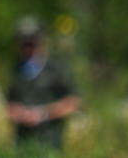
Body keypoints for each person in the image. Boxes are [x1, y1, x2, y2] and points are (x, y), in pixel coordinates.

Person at [6, 17, 81, 148]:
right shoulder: (15, 70)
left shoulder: (57, 68)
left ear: (41, 41)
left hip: (50, 143)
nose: (28, 49)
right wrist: (22, 114)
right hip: (23, 144)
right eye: (24, 44)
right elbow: (8, 105)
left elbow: (74, 103)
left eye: (31, 43)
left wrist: (44, 114)